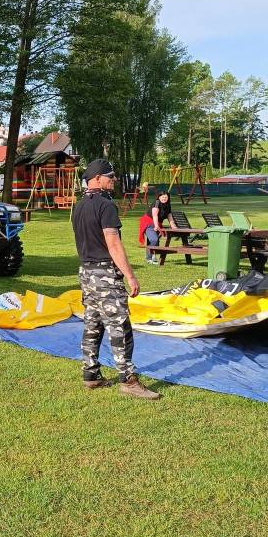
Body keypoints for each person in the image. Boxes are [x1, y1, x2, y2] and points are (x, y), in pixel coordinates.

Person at [71, 159, 160, 400]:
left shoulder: (78, 206)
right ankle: (128, 380)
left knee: (92, 323)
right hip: (105, 275)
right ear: (97, 178)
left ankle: (90, 374)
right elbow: (113, 243)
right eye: (110, 177)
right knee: (119, 325)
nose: (114, 180)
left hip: (86, 272)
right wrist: (130, 276)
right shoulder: (106, 205)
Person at [138, 189, 174, 263]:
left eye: (166, 197)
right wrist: (156, 226)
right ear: (159, 197)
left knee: (153, 240)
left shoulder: (168, 205)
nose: (164, 198)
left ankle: (152, 257)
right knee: (154, 240)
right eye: (162, 197)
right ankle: (149, 257)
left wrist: (173, 225)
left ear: (168, 198)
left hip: (157, 223)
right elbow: (155, 215)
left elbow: (169, 216)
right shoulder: (157, 203)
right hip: (149, 222)